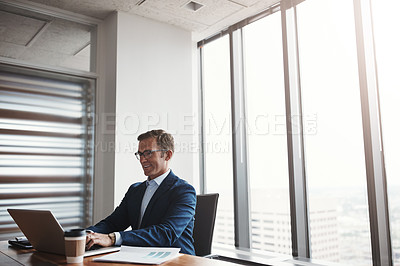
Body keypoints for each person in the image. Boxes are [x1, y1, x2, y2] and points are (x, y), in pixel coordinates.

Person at [85, 129, 196, 255]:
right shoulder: (135, 190)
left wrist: (112, 238)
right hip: (141, 257)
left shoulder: (184, 191)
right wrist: (86, 235)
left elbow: (166, 233)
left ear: (167, 155)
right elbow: (113, 223)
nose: (142, 160)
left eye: (148, 153)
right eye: (140, 154)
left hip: (178, 260)